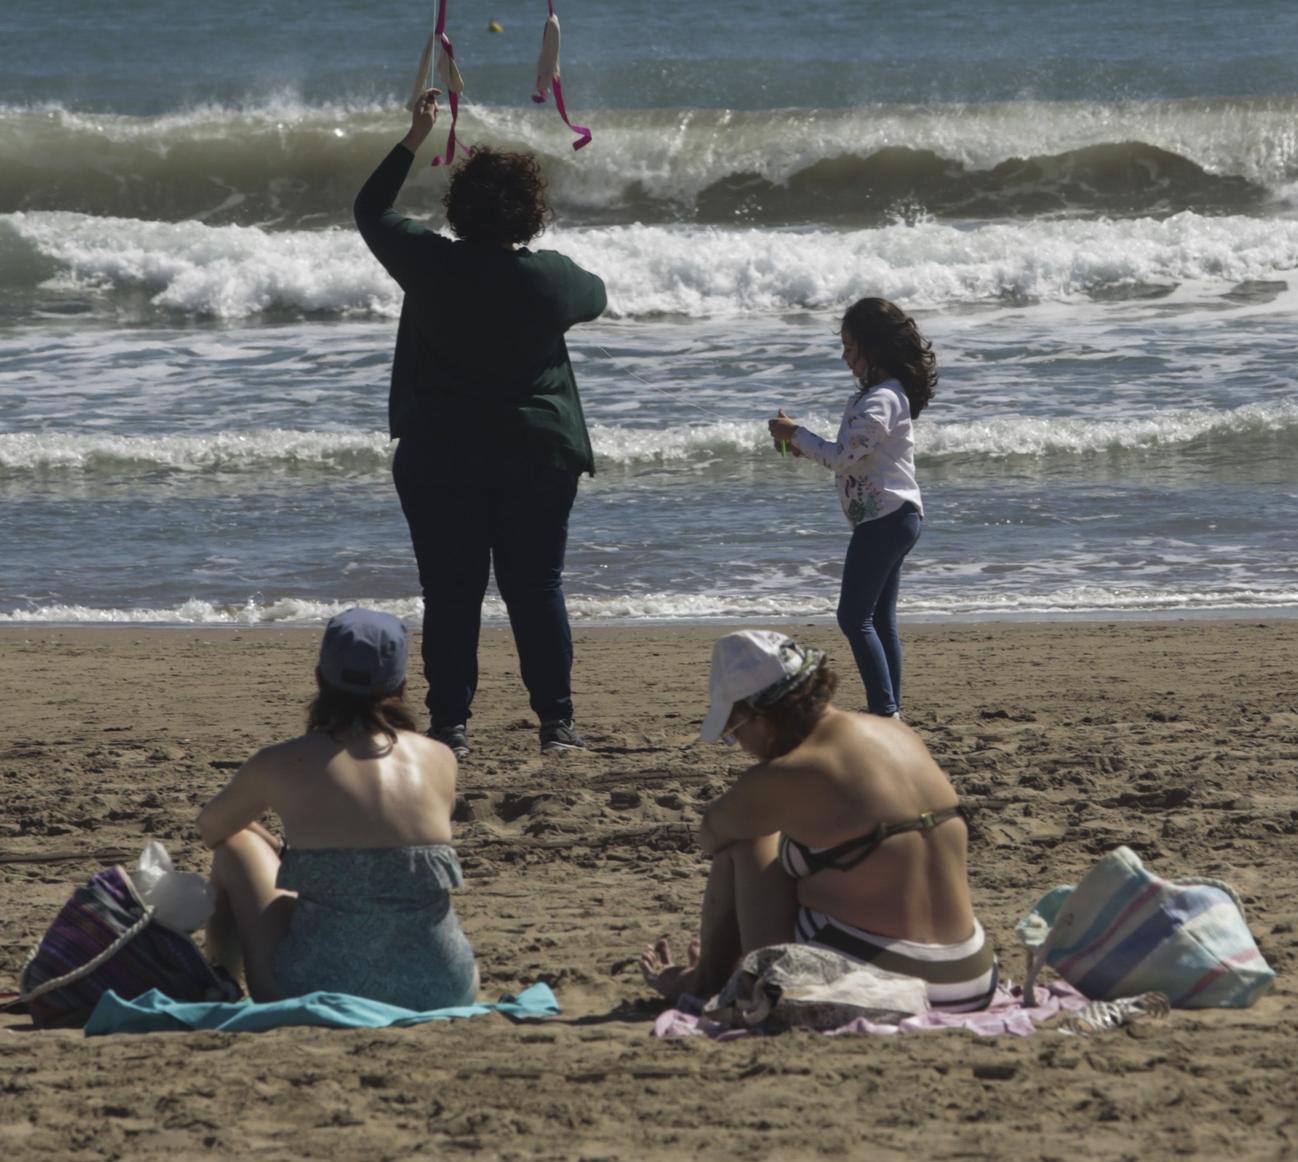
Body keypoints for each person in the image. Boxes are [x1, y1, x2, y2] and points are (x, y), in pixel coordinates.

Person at [354, 89, 608, 757]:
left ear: (457, 210)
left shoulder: (428, 261)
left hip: (440, 455)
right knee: (537, 588)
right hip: (536, 455)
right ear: (531, 214)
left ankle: (452, 726)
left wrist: (415, 137)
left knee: (451, 591)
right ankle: (557, 724)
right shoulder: (550, 278)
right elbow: (598, 296)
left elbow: (370, 209)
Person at [640, 631, 996, 1009]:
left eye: (734, 731)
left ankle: (702, 982)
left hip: (892, 984)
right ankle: (711, 975)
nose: (740, 745)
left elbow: (711, 836)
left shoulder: (789, 772)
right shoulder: (897, 732)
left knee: (750, 841)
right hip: (973, 977)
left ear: (759, 717)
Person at [197, 607, 478, 1009]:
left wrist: (265, 837)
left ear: (320, 677)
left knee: (234, 842)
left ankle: (221, 978)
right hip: (445, 987)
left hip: (313, 985)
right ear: (400, 685)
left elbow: (210, 828)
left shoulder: (280, 761)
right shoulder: (440, 758)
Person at [767, 296, 937, 717]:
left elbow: (843, 456)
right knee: (878, 619)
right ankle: (889, 709)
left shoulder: (882, 400)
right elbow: (848, 455)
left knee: (853, 617)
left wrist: (798, 434)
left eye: (849, 347)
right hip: (894, 517)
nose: (844, 357)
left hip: (887, 519)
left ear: (873, 349)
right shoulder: (881, 396)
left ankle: (885, 711)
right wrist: (799, 443)